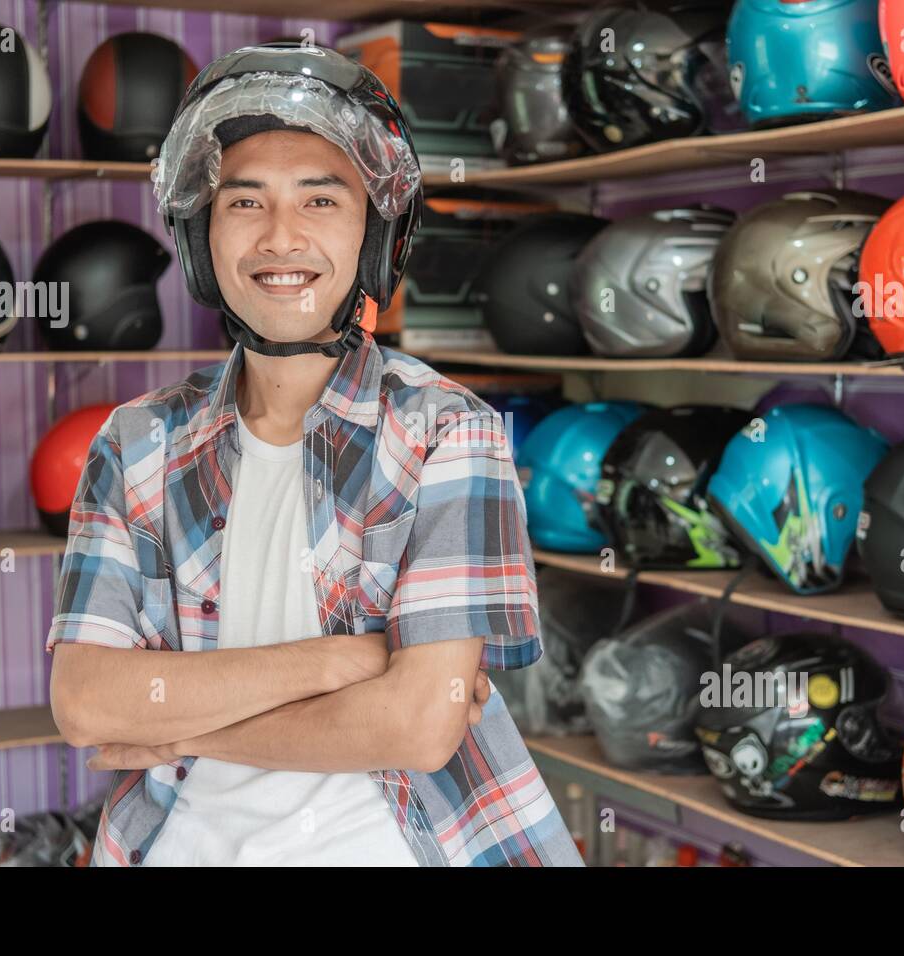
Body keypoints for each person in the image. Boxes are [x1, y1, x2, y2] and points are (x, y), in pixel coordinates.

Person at [45, 43, 582, 867]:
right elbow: (85, 702)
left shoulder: (451, 434)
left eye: (321, 200)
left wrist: (173, 718)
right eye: (245, 202)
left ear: (374, 233)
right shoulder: (133, 443)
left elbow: (418, 726)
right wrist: (349, 660)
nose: (281, 238)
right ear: (202, 233)